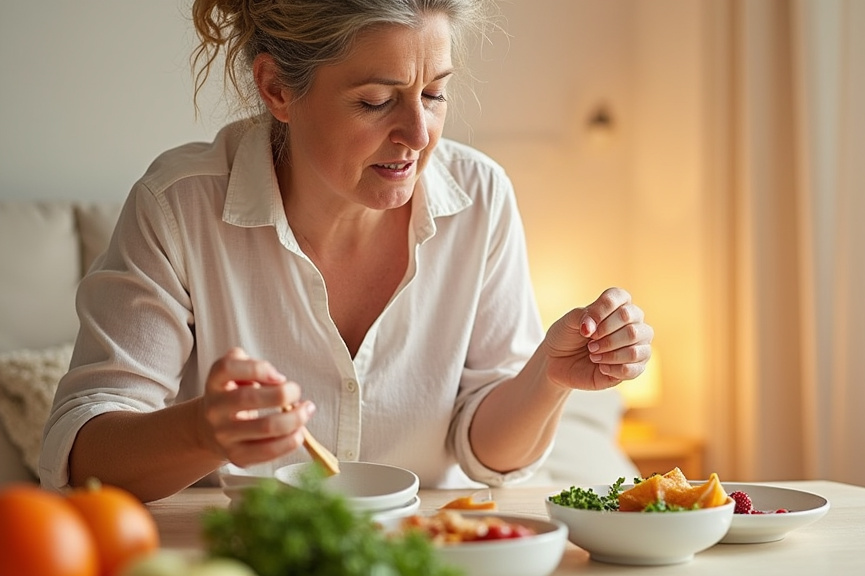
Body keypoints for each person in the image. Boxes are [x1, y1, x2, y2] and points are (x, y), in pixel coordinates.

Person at [39, 0, 654, 503]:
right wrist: (205, 429)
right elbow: (83, 455)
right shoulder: (178, 207)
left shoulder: (481, 198)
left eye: (435, 94)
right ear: (277, 89)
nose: (418, 135)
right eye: (375, 101)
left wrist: (547, 376)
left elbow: (488, 453)